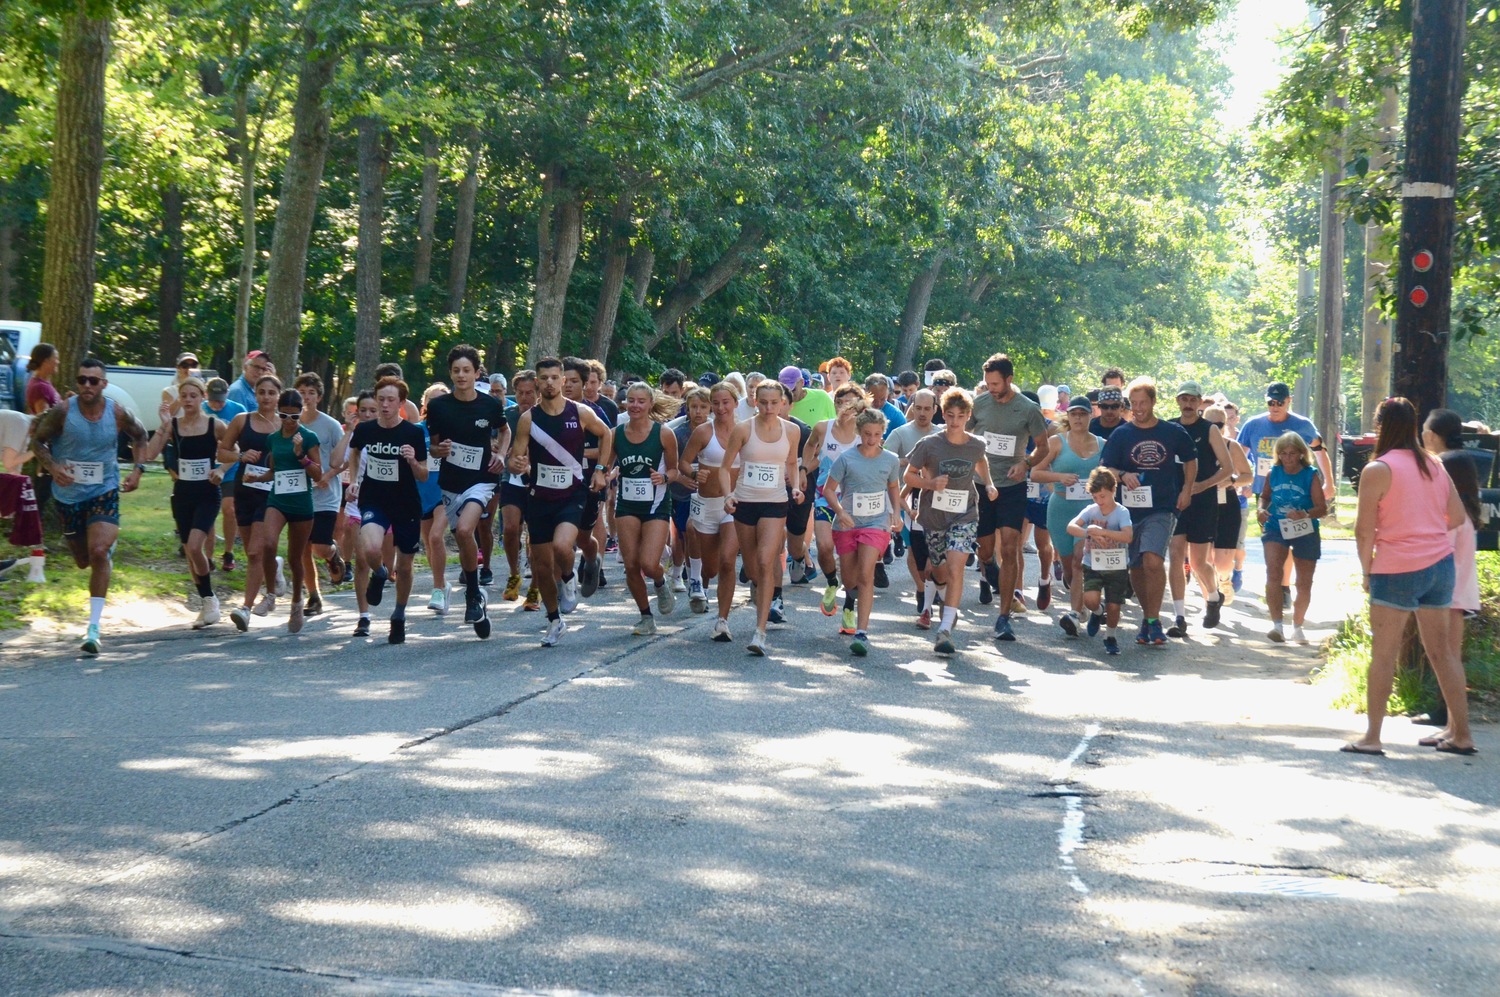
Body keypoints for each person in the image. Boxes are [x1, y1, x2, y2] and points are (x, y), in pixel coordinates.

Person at [1346, 397, 1474, 756]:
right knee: (1443, 653)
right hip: (1440, 566)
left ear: (1380, 426)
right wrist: (1425, 527)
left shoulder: (1378, 470)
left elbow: (1363, 531)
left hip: (1396, 566)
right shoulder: (1434, 465)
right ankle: (1462, 734)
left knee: (1383, 654)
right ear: (1415, 426)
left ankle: (1372, 737)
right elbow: (1456, 517)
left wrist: (1366, 571)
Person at [28, 359, 150, 655]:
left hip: (104, 489)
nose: (86, 386)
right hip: (69, 495)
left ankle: (93, 629)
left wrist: (137, 470)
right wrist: (54, 466)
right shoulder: (63, 412)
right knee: (83, 559)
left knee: (98, 553)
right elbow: (37, 442)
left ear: (103, 385)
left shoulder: (117, 412)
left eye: (93, 381)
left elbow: (141, 435)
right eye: (82, 380)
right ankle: (104, 550)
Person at [508, 356, 613, 647]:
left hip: (572, 493)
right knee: (541, 566)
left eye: (555, 377)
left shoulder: (579, 412)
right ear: (538, 382)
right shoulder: (529, 419)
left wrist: (602, 471)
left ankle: (568, 577)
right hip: (539, 495)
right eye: (544, 378)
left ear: (563, 381)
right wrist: (516, 464)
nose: (550, 383)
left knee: (562, 546)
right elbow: (517, 456)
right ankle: (554, 620)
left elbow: (606, 435)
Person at [1099, 377, 1196, 647]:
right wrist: (1123, 473)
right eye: (1134, 403)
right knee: (1137, 566)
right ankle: (1148, 617)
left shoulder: (1172, 432)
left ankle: (1154, 620)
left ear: (1153, 402)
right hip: (1129, 511)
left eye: (1143, 403)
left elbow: (1191, 459)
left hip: (1162, 508)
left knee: (1153, 560)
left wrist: (1187, 489)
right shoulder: (1122, 434)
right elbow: (1105, 468)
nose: (1138, 408)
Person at [904, 387, 998, 654]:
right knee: (939, 570)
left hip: (965, 514)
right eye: (950, 415)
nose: (955, 420)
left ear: (968, 416)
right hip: (933, 517)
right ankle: (942, 597)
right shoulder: (929, 444)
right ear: (943, 414)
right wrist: (930, 483)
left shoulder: (976, 444)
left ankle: (945, 629)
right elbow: (909, 477)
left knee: (956, 566)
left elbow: (981, 462)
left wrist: (989, 485)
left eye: (961, 415)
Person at [426, 345, 508, 639]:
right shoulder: (438, 407)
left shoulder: (489, 405)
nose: (461, 375)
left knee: (463, 531)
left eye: (467, 370)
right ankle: (476, 596)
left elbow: (505, 431)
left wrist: (501, 455)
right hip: (451, 482)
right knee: (462, 535)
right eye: (456, 371)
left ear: (476, 373)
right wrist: (439, 449)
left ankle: (473, 593)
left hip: (482, 480)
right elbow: (433, 445)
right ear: (451, 374)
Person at [967, 353, 1049, 643]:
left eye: (996, 383)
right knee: (986, 551)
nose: (991, 388)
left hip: (1012, 486)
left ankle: (1004, 617)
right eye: (988, 383)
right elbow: (962, 435)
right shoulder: (979, 404)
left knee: (1011, 546)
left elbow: (1043, 447)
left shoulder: (1028, 410)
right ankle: (991, 569)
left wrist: (1025, 464)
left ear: (1009, 380)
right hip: (981, 484)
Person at [237, 387, 329, 633]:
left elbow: (318, 473)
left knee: (295, 558)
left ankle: (297, 602)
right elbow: (275, 471)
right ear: (278, 414)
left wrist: (301, 456)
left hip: (301, 504)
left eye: (294, 417)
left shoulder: (308, 438)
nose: (289, 421)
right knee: (267, 544)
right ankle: (270, 594)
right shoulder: (273, 439)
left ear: (301, 414)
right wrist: (257, 479)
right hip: (277, 499)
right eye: (284, 415)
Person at [720, 381, 801, 654]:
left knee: (767, 561)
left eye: (774, 403)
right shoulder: (743, 429)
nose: (768, 408)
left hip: (775, 502)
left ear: (782, 403)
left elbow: (791, 463)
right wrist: (727, 495)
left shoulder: (791, 430)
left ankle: (759, 632)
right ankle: (757, 585)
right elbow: (725, 466)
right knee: (754, 569)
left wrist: (797, 486)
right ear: (755, 401)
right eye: (763, 402)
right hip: (745, 502)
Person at [346, 377, 429, 643]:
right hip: (374, 499)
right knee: (370, 549)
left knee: (404, 567)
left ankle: (399, 615)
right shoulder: (366, 430)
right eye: (381, 399)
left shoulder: (413, 433)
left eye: (390, 400)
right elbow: (355, 452)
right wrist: (355, 480)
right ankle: (381, 573)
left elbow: (424, 475)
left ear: (401, 403)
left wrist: (412, 460)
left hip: (406, 504)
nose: (384, 405)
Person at [1236, 381, 1336, 604]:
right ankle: (1276, 581)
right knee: (1273, 539)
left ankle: (1283, 585)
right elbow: (1238, 453)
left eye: (1279, 402)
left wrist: (1328, 482)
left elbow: (1320, 451)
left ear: (1288, 401)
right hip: (1266, 492)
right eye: (1271, 402)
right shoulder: (1253, 425)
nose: (1275, 406)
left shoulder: (1302, 424)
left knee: (1291, 536)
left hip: (1298, 491)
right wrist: (1243, 479)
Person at [143, 378, 226, 628]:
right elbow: (149, 453)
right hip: (182, 494)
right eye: (184, 396)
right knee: (191, 553)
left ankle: (210, 600)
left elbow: (237, 451)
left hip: (208, 493)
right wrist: (163, 425)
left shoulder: (215, 424)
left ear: (202, 397)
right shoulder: (174, 426)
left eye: (193, 395)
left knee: (193, 546)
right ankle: (206, 603)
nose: (188, 400)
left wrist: (222, 470)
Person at [823, 408, 902, 656]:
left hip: (876, 523)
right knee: (850, 580)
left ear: (883, 433)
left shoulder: (890, 459)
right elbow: (828, 489)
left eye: (877, 434)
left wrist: (896, 514)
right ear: (859, 432)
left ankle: (862, 632)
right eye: (867, 434)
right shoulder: (846, 459)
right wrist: (840, 511)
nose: (872, 439)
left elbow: (893, 487)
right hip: (847, 523)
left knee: (867, 573)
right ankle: (848, 601)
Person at [1424, 408, 1483, 734]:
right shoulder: (1462, 461)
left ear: (1433, 434)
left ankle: (1451, 724)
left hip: (1448, 569)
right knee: (1451, 652)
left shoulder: (1445, 463)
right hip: (1458, 570)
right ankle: (1449, 720)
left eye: (1424, 430)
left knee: (1444, 652)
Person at [219, 375, 291, 628]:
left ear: (278, 396)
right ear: (255, 395)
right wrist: (240, 455)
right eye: (261, 392)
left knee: (253, 552)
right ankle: (275, 568)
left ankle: (246, 608)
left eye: (271, 393)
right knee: (254, 554)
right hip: (245, 489)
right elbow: (222, 451)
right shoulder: (242, 420)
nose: (266, 397)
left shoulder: (285, 424)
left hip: (272, 494)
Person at [1165, 382, 1235, 637]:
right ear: (1177, 401)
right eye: (1183, 399)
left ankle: (1214, 597)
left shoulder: (1209, 430)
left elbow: (1227, 469)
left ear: (1199, 402)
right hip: (1175, 500)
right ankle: (1179, 617)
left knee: (1198, 562)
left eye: (1193, 400)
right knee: (1175, 556)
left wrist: (1202, 485)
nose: (1188, 404)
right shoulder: (1169, 428)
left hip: (1203, 501)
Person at [610, 382, 680, 636]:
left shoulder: (663, 434)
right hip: (627, 504)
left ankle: (660, 583)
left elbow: (675, 469)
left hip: (656, 503)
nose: (635, 406)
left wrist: (665, 478)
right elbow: (604, 466)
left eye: (641, 401)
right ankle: (646, 617)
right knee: (630, 565)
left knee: (649, 564)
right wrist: (602, 475)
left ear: (650, 404)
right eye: (631, 400)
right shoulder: (615, 433)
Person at [1032, 396, 1103, 637]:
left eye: (1083, 414)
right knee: (1069, 567)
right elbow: (1035, 473)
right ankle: (1084, 607)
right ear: (1068, 416)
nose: (1078, 418)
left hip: (1091, 512)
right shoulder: (1056, 442)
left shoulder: (1102, 444)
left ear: (1090, 416)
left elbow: (1111, 476)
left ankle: (1074, 613)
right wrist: (1058, 478)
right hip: (1061, 510)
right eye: (1074, 414)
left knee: (1079, 559)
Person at [679, 382, 742, 637]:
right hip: (707, 504)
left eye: (725, 402)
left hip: (734, 505)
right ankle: (699, 580)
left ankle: (722, 621)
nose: (720, 407)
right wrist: (694, 471)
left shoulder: (745, 431)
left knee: (728, 561)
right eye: (715, 403)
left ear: (736, 403)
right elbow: (683, 462)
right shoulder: (704, 432)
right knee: (712, 568)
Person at [805, 383, 868, 624]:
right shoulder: (823, 428)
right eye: (841, 402)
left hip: (854, 501)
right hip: (824, 497)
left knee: (850, 558)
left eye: (852, 403)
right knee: (823, 546)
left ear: (861, 406)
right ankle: (832, 582)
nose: (846, 407)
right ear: (835, 404)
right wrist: (803, 467)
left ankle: (850, 607)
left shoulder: (866, 433)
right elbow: (811, 446)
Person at [1256, 431, 1327, 643]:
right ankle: (1277, 626)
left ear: (1301, 454)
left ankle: (1298, 625)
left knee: (1304, 581)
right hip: (1276, 526)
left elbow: (1322, 508)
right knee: (1273, 572)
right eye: (1283, 454)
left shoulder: (1310, 474)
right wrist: (1261, 509)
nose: (1288, 458)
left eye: (1292, 454)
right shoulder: (1273, 473)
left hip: (1305, 528)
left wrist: (1305, 513)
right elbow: (1265, 497)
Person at [884, 388, 941, 623]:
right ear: (911, 408)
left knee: (934, 552)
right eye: (918, 408)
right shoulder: (900, 433)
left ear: (935, 410)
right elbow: (883, 459)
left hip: (936, 501)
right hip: (904, 497)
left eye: (928, 409)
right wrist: (908, 462)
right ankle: (921, 587)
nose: (922, 413)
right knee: (913, 549)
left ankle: (930, 587)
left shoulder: (943, 434)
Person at [293, 373, 346, 616]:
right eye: (302, 392)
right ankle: (314, 596)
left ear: (319, 397)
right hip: (299, 493)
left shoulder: (330, 425)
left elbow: (344, 460)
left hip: (326, 495)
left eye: (311, 393)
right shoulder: (290, 424)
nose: (306, 397)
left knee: (320, 546)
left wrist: (328, 474)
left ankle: (333, 554)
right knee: (303, 548)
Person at [1066, 468, 1135, 655]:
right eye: (1095, 497)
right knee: (1090, 600)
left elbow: (1128, 536)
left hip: (1117, 566)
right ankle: (1097, 612)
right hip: (1093, 563)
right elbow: (1071, 527)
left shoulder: (1121, 512)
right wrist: (1089, 531)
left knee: (1115, 605)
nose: (1099, 501)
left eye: (1103, 496)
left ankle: (1110, 636)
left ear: (1113, 490)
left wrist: (1103, 532)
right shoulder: (1091, 510)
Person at [1201, 404, 1251, 608]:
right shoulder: (1197, 447)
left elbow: (1248, 476)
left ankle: (1224, 579)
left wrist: (1231, 481)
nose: (1215, 428)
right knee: (1203, 559)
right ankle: (1210, 601)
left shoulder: (1232, 446)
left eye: (1219, 425)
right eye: (1210, 425)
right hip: (1203, 504)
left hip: (1227, 505)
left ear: (1225, 425)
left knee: (1221, 561)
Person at [499, 371, 538, 607]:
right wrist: (503, 453)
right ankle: (514, 573)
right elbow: (495, 443)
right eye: (520, 393)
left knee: (536, 536)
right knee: (511, 528)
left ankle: (535, 588)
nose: (525, 398)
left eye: (529, 393)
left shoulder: (545, 415)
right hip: (511, 477)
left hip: (538, 481)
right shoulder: (506, 416)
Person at [202, 378, 248, 570]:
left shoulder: (238, 410)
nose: (217, 404)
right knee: (208, 513)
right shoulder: (201, 409)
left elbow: (240, 446)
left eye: (221, 399)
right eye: (214, 400)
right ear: (206, 396)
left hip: (231, 468)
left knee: (229, 509)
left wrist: (225, 466)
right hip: (206, 468)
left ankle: (228, 552)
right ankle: (208, 557)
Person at [417, 383, 451, 613]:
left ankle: (438, 588)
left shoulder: (455, 428)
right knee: (429, 541)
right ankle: (443, 584)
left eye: (442, 400)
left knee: (437, 537)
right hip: (421, 493)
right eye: (432, 400)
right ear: (425, 405)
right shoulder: (416, 431)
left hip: (446, 492)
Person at [864, 373, 907, 438]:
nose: (878, 403)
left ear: (888, 393)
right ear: (865, 392)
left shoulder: (896, 416)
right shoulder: (856, 411)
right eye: (874, 399)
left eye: (882, 399)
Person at [24, 344, 62, 416]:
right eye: (56, 358)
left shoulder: (44, 382)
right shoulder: (39, 387)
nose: (58, 362)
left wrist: (68, 402)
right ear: (45, 361)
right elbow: (45, 421)